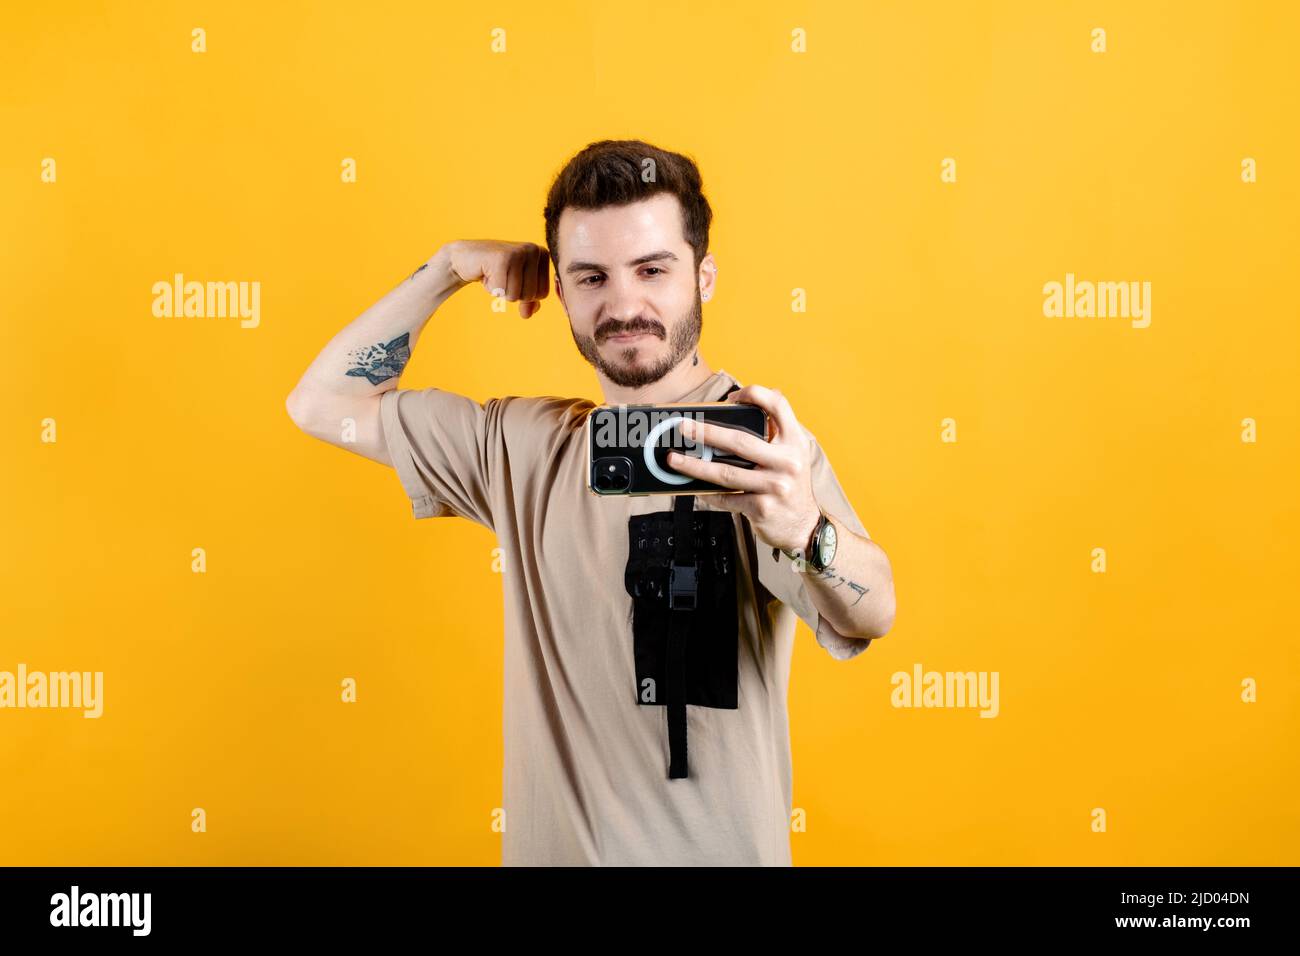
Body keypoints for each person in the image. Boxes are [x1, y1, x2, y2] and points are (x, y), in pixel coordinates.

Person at [286, 139, 896, 865]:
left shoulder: (761, 452)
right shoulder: (519, 448)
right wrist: (449, 268)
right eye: (591, 276)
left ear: (703, 278)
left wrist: (806, 530)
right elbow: (321, 402)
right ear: (561, 293)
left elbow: (872, 609)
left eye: (652, 270)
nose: (624, 304)